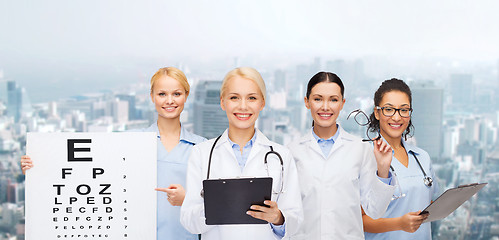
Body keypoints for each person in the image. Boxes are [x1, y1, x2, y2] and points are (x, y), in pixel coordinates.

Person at [20, 67, 206, 240]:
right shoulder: (127, 141)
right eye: (162, 94)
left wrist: (187, 199)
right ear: (152, 97)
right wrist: (38, 168)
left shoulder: (202, 148)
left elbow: (215, 204)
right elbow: (86, 174)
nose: (169, 101)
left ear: (186, 96)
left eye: (177, 94)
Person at [180, 67, 303, 240]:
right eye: (234, 98)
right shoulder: (202, 154)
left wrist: (278, 218)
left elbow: (295, 219)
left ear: (262, 103)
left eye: (252, 98)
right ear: (223, 102)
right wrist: (213, 209)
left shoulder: (282, 156)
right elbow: (188, 221)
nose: (243, 106)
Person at [287, 72, 396, 239]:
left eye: (333, 99)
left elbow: (375, 210)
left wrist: (383, 169)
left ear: (342, 103)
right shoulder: (291, 152)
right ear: (306, 102)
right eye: (318, 99)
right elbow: (287, 213)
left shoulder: (360, 149)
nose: (325, 107)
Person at [362, 78, 439, 240]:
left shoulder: (422, 157)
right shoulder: (364, 156)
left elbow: (429, 202)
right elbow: (360, 219)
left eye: (404, 110)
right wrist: (399, 224)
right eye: (389, 109)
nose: (397, 118)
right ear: (377, 113)